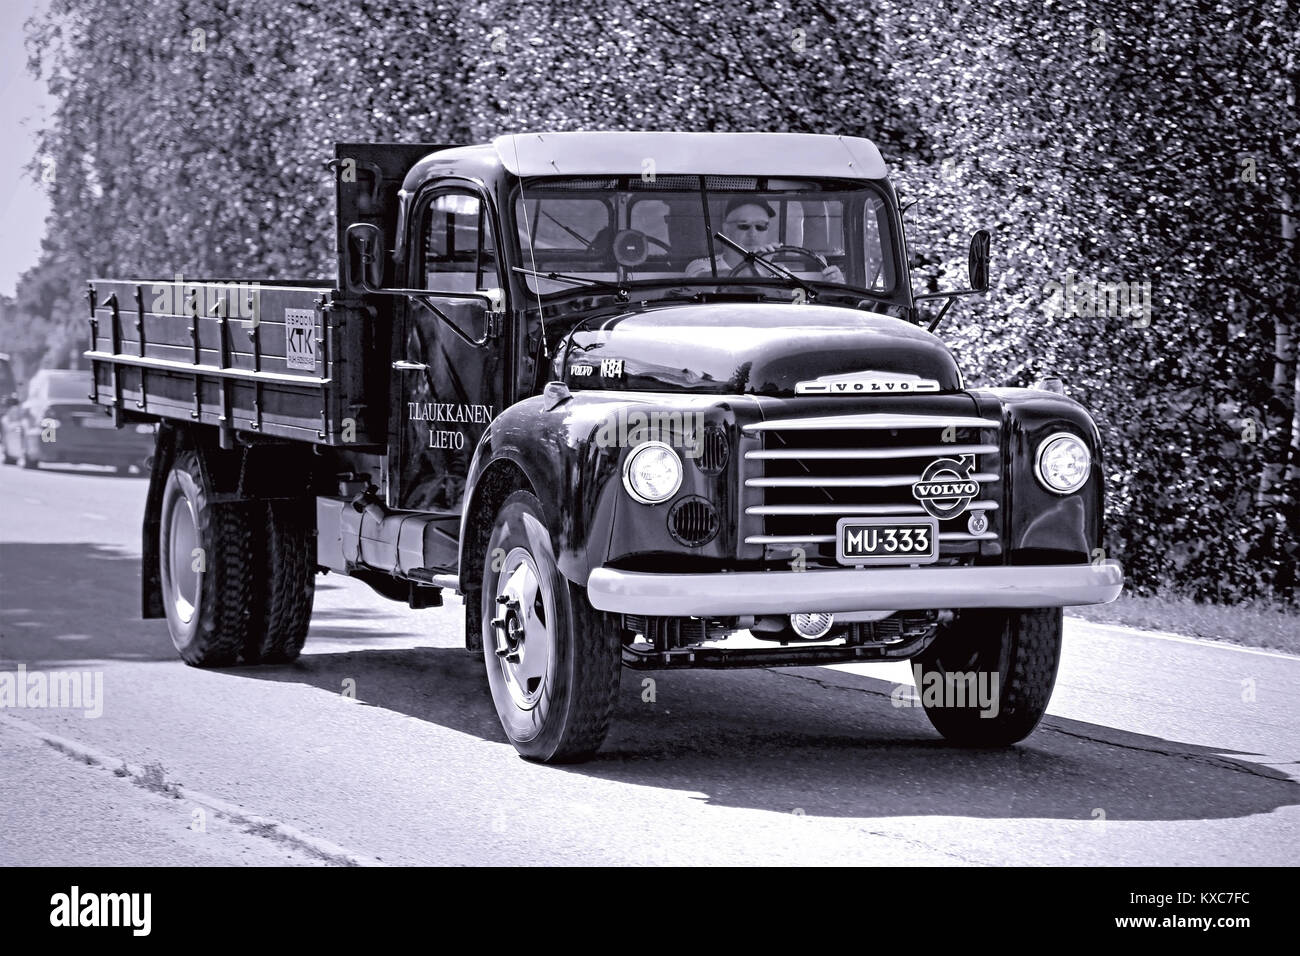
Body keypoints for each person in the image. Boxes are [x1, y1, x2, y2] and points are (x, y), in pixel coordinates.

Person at [686, 197, 845, 283]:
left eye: (761, 227)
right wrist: (761, 269)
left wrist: (833, 284)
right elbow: (704, 284)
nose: (753, 234)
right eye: (744, 226)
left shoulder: (780, 272)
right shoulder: (702, 266)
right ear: (726, 230)